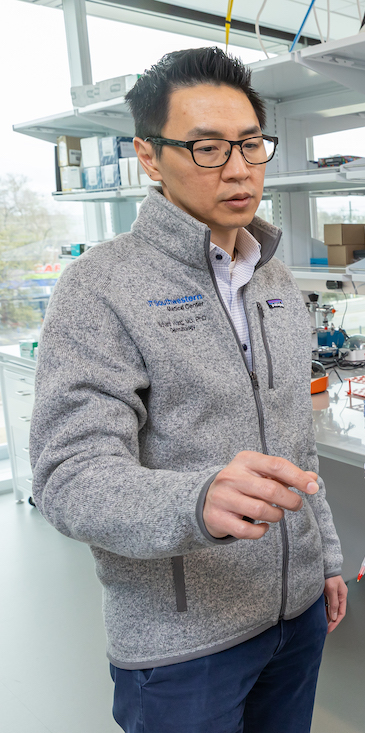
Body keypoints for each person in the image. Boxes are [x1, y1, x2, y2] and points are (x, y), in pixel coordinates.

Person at [30, 47, 346, 732]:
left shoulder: (274, 279)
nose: (237, 168)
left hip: (296, 621)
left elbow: (296, 443)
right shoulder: (100, 288)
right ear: (149, 155)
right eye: (206, 148)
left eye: (250, 144)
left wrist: (324, 559)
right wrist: (196, 499)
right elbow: (68, 476)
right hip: (184, 647)